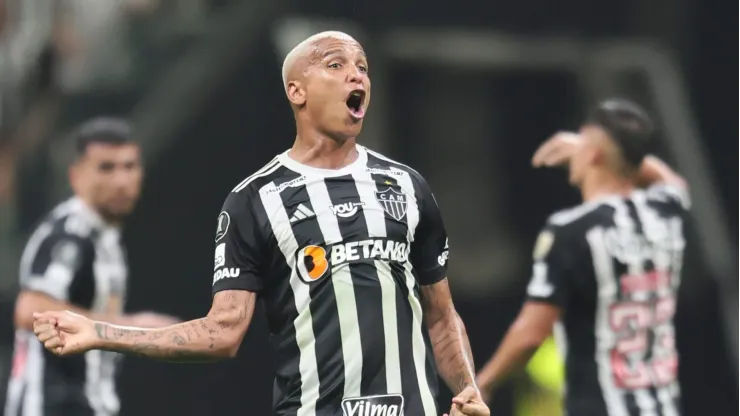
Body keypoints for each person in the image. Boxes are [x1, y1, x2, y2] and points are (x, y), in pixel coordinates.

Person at [31, 32, 490, 416]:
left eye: (363, 66)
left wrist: (468, 387)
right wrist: (101, 334)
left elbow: (441, 315)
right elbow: (223, 331)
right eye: (336, 64)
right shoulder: (254, 200)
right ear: (297, 91)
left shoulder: (406, 186)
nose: (357, 74)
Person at [476, 99, 688, 416]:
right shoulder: (665, 214)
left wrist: (484, 383)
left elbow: (531, 333)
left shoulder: (572, 230)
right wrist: (620, 151)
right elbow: (673, 182)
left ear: (593, 154)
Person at [5, 118, 178, 416]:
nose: (121, 180)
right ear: (76, 176)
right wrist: (131, 328)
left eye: (129, 166)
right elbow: (30, 308)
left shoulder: (105, 240)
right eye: (106, 168)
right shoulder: (70, 235)